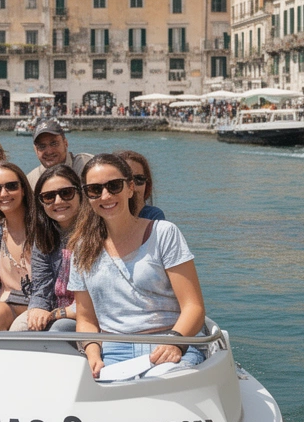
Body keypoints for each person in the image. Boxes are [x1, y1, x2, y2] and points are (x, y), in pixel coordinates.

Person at [68, 154, 206, 379]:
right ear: (87, 196)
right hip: (114, 349)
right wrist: (93, 354)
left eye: (114, 186)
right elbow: (86, 319)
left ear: (130, 188)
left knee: (163, 384)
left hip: (170, 340)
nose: (106, 195)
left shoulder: (164, 233)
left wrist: (174, 343)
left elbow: (194, 306)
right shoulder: (81, 248)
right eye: (95, 189)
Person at [14, 164, 84, 333]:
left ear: (80, 194)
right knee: (20, 328)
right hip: (55, 307)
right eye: (48, 197)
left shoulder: (94, 234)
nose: (58, 201)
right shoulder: (43, 237)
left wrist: (59, 313)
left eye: (66, 193)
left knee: (58, 330)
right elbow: (41, 286)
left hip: (85, 313)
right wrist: (38, 308)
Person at [0, 163, 36, 331]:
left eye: (11, 186)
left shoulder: (43, 226)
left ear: (23, 189)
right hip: (8, 306)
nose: (4, 194)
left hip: (40, 305)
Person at [26, 118, 93, 183]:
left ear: (65, 143)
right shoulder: (31, 181)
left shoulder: (87, 166)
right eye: (42, 146)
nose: (49, 151)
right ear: (35, 150)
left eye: (54, 144)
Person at [115, 150, 165, 221]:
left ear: (147, 184)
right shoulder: (104, 214)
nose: (132, 186)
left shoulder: (154, 216)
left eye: (139, 179)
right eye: (127, 179)